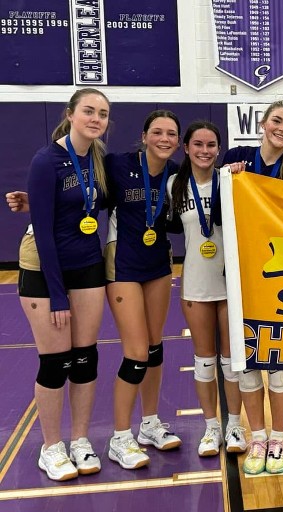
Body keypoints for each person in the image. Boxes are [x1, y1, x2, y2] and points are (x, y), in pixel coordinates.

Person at [15, 88, 109, 480]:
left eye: (102, 114)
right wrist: (57, 295)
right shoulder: (47, 159)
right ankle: (51, 447)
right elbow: (48, 233)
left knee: (85, 359)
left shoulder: (98, 159)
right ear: (71, 114)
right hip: (44, 265)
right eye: (89, 111)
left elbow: (94, 202)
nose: (96, 119)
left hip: (87, 263)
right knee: (55, 362)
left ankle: (80, 440)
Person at [221, 98, 283, 474]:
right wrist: (228, 175)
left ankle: (279, 438)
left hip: (282, 279)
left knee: (278, 362)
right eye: (277, 121)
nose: (282, 129)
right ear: (264, 123)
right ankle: (256, 436)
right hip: (240, 275)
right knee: (247, 362)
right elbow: (220, 211)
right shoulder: (237, 158)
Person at [105, 110, 183, 469]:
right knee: (135, 351)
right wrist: (35, 199)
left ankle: (149, 423)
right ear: (145, 135)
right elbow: (83, 190)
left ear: (178, 141)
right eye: (158, 132)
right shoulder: (118, 164)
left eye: (171, 134)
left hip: (158, 263)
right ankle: (120, 437)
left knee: (154, 347)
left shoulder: (177, 175)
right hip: (122, 262)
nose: (164, 139)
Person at [167, 121, 248, 457]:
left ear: (219, 148)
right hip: (196, 283)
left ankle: (235, 426)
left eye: (211, 145)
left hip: (230, 283)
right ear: (186, 148)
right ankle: (211, 427)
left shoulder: (231, 179)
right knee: (204, 361)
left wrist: (240, 172)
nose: (204, 151)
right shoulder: (174, 184)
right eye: (197, 144)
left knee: (232, 362)